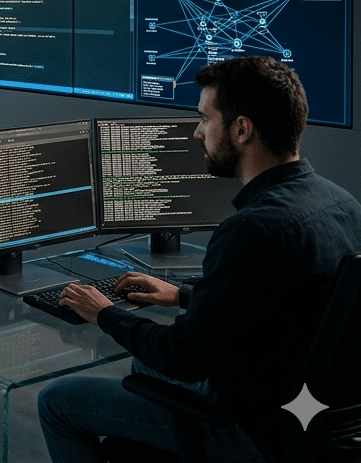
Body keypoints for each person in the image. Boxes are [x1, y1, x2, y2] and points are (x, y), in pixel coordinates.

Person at [38, 55, 361, 461]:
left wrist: (104, 313)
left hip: (246, 425)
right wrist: (183, 295)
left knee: (58, 400)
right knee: (142, 368)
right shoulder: (343, 204)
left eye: (205, 118)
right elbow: (290, 307)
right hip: (309, 416)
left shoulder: (252, 229)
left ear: (241, 129)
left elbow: (183, 358)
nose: (197, 132)